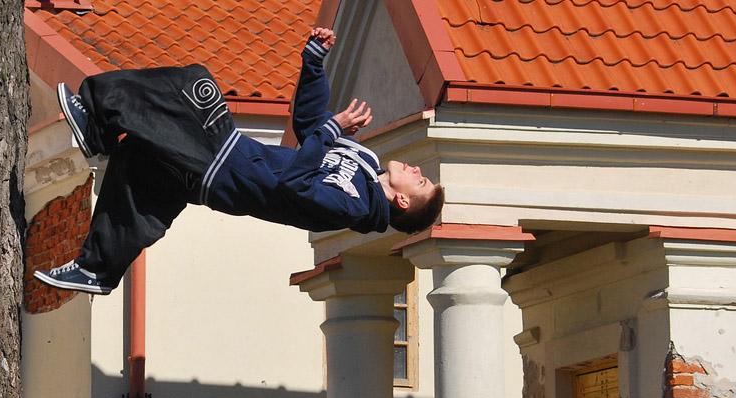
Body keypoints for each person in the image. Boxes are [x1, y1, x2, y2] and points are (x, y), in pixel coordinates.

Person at [35, 27, 444, 295]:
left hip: (224, 170)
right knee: (135, 161)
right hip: (224, 155)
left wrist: (331, 131)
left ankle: (95, 120)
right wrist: (315, 63)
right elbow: (308, 125)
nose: (416, 170)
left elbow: (295, 182)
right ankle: (96, 270)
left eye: (421, 183)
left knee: (197, 85)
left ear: (402, 203)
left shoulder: (351, 206)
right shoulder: (364, 160)